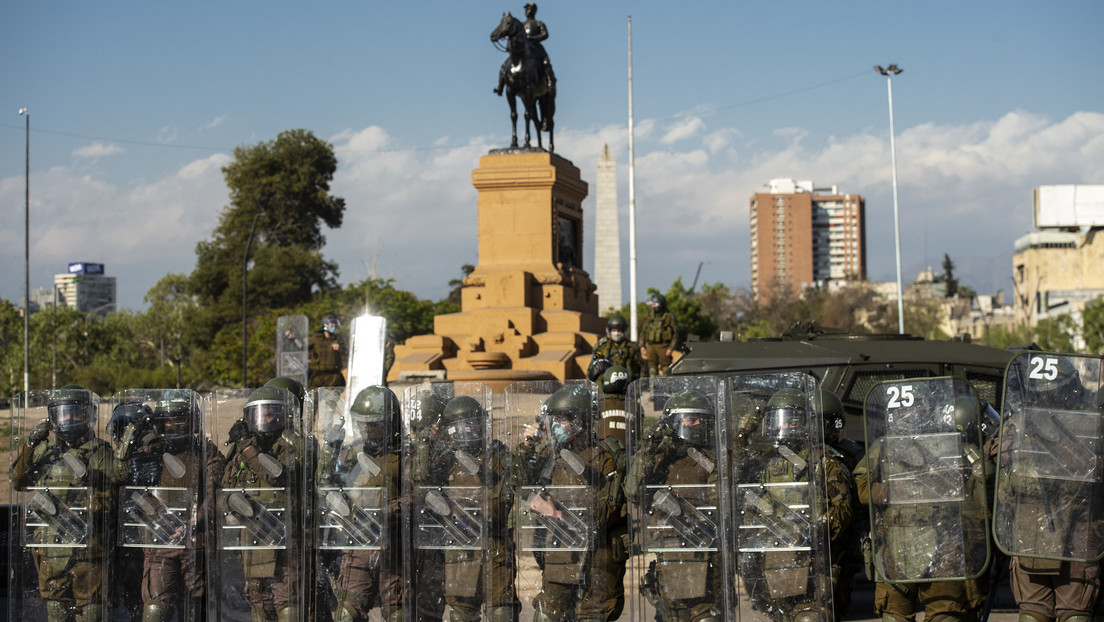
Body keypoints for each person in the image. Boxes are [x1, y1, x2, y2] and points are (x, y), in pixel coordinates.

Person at [854, 379, 990, 622]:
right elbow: (863, 492)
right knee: (894, 617)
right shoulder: (882, 447)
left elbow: (976, 492)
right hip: (896, 544)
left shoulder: (950, 443)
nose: (911, 415)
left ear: (929, 409)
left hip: (945, 545)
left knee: (945, 616)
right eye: (905, 411)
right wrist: (900, 489)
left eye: (917, 408)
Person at [990, 353, 1103, 622]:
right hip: (1036, 532)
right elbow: (995, 455)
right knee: (1042, 614)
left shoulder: (1088, 422)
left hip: (1068, 532)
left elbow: (1091, 466)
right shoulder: (1021, 423)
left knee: (1065, 614)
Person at [736, 387, 853, 622]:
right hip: (772, 564)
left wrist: (814, 530)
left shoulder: (824, 461)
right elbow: (737, 484)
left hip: (814, 563)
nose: (786, 427)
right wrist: (742, 433)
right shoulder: (763, 463)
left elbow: (843, 509)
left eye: (793, 421)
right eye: (781, 420)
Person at [10, 385, 126, 622]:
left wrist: (79, 510)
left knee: (91, 611)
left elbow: (111, 498)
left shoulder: (100, 452)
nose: (69, 419)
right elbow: (19, 482)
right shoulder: (43, 451)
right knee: (56, 609)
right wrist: (30, 445)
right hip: (51, 545)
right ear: (53, 416)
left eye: (75, 413)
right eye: (63, 413)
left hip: (88, 545)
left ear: (89, 415)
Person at [514, 383, 625, 622]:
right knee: (546, 616)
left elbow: (608, 512)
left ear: (580, 420)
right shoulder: (551, 456)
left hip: (597, 560)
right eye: (553, 419)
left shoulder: (606, 456)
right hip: (560, 556)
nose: (555, 425)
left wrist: (557, 515)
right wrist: (527, 446)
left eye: (561, 419)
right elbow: (519, 484)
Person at [115, 389, 223, 622]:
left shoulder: (206, 451)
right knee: (155, 609)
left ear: (193, 422)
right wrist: (132, 435)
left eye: (180, 420)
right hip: (160, 540)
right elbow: (131, 485)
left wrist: (196, 520)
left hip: (196, 540)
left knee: (195, 608)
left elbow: (215, 493)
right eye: (167, 421)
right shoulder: (151, 450)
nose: (173, 426)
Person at [415, 395, 519, 622]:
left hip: (495, 547)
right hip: (460, 550)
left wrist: (468, 508)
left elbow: (504, 503)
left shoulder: (498, 455)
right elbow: (422, 487)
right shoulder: (445, 460)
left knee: (502, 613)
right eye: (461, 424)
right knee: (461, 614)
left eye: (472, 422)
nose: (468, 428)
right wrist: (425, 446)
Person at [626, 387, 724, 621]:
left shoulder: (713, 459)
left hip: (706, 551)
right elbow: (632, 492)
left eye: (700, 419)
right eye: (690, 419)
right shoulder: (658, 458)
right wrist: (648, 451)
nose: (696, 424)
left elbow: (721, 502)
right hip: (668, 549)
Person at [317, 386, 405, 622]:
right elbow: (326, 486)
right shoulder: (350, 453)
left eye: (372, 424)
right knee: (346, 614)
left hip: (394, 544)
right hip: (358, 543)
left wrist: (388, 511)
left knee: (398, 615)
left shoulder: (406, 454)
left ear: (389, 423)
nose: (365, 429)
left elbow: (418, 495)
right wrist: (329, 450)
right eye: (362, 423)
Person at [220, 385, 305, 620]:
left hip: (286, 535)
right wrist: (231, 503)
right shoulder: (240, 451)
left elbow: (278, 476)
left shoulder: (293, 445)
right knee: (259, 605)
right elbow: (223, 489)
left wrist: (248, 447)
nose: (265, 420)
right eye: (259, 414)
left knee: (288, 605)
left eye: (271, 414)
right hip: (252, 536)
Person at [495, 2, 556, 99]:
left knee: (546, 63)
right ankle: (500, 87)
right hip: (523, 50)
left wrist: (532, 38)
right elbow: (513, 35)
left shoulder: (539, 23)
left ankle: (550, 84)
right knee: (505, 65)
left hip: (536, 48)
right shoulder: (521, 25)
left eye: (529, 9)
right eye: (526, 9)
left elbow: (545, 34)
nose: (527, 11)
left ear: (534, 10)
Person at [591, 314, 645, 382]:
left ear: (624, 331)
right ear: (609, 331)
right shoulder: (601, 347)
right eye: (614, 330)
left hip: (628, 384)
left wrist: (641, 384)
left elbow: (642, 368)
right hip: (606, 384)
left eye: (619, 330)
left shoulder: (632, 348)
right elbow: (592, 368)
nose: (616, 333)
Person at [639, 293, 678, 377]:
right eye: (652, 304)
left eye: (655, 304)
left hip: (664, 347)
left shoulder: (669, 317)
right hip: (651, 347)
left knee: (666, 370)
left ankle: (667, 386)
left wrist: (671, 348)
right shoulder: (649, 317)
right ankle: (653, 385)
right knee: (652, 370)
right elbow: (643, 333)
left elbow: (675, 335)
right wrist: (642, 346)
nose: (653, 306)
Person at [309, 314, 347, 389]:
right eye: (331, 324)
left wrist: (340, 348)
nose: (333, 326)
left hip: (334, 378)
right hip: (318, 377)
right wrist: (293, 338)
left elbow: (348, 352)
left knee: (332, 396)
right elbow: (301, 346)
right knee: (312, 395)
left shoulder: (338, 339)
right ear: (325, 325)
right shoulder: (316, 339)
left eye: (334, 324)